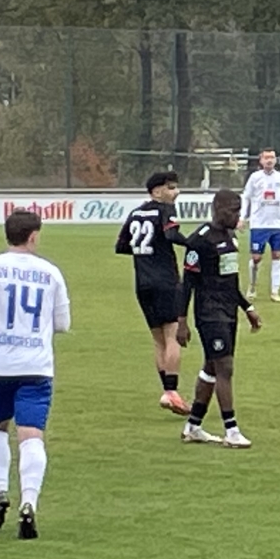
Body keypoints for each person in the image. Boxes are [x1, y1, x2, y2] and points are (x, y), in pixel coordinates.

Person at [0, 211, 71, 540]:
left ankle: (0, 490)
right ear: (33, 236)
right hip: (36, 367)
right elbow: (63, 324)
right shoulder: (51, 273)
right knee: (31, 436)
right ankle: (29, 502)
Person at [178, 188, 262, 448]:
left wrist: (246, 308)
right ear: (218, 209)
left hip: (228, 312)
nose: (237, 216)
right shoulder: (199, 240)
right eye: (233, 211)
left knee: (212, 368)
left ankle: (193, 426)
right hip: (209, 313)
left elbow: (231, 281)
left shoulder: (230, 237)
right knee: (225, 367)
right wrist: (181, 321)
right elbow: (187, 283)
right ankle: (231, 430)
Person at [114, 168, 192, 415]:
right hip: (166, 281)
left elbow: (121, 245)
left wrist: (145, 254)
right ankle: (172, 392)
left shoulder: (136, 213)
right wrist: (193, 243)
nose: (176, 192)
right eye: (171, 188)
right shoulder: (164, 210)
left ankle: (168, 392)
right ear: (156, 191)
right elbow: (171, 234)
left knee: (158, 340)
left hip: (142, 283)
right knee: (172, 336)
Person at [241, 148, 280, 302]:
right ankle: (252, 287)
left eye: (272, 157)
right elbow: (246, 197)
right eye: (266, 157)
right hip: (259, 223)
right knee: (257, 257)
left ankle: (275, 291)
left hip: (277, 223)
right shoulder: (255, 178)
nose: (269, 160)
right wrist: (242, 218)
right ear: (261, 160)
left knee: (277, 255)